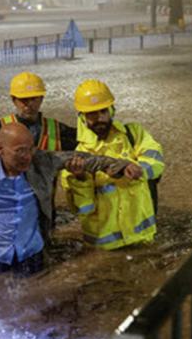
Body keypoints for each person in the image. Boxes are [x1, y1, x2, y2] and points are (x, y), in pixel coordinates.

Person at [0, 123, 140, 274]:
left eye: (30, 149)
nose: (27, 156)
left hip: (32, 256)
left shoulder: (42, 162)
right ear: (0, 150)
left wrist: (120, 166)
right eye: (20, 150)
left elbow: (87, 159)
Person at [61, 80, 164, 249]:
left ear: (112, 110)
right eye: (92, 114)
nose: (100, 118)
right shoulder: (76, 157)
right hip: (105, 248)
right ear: (82, 117)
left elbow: (156, 161)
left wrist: (139, 169)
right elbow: (84, 210)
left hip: (143, 238)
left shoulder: (134, 134)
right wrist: (80, 179)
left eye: (103, 111)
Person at [0, 71, 78, 155]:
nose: (29, 104)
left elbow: (83, 141)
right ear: (14, 100)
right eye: (24, 100)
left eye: (33, 99)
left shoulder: (56, 129)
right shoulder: (0, 127)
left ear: (41, 99)